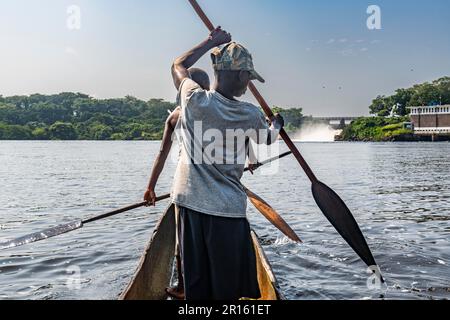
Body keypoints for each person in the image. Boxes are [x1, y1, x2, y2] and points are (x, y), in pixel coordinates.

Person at [145, 27, 284, 300]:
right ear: (242, 75)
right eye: (249, 77)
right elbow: (269, 139)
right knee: (227, 290)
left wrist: (211, 42)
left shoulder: (193, 101)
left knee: (197, 287)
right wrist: (277, 124)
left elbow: (179, 64)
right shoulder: (250, 114)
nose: (248, 84)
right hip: (228, 213)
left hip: (190, 206)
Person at [144, 68, 210, 300]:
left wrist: (150, 186)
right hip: (212, 185)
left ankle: (183, 287)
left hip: (186, 186)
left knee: (182, 240)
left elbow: (162, 153)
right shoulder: (215, 110)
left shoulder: (175, 116)